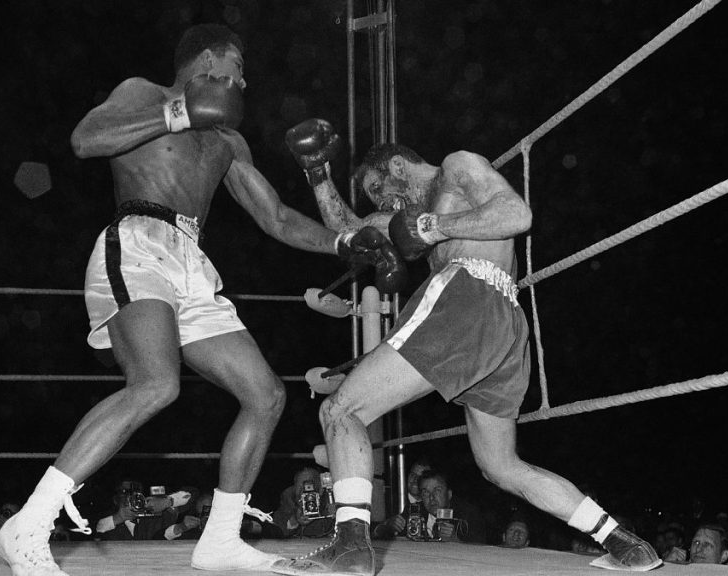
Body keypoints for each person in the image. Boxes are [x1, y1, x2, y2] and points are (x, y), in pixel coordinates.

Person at [0, 24, 406, 576]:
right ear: (212, 60)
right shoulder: (144, 93)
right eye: (239, 69)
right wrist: (181, 114)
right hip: (138, 242)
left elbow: (276, 217)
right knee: (155, 383)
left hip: (192, 261)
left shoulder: (229, 141)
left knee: (265, 395)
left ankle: (219, 541)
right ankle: (28, 523)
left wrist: (342, 241)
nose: (244, 81)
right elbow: (85, 139)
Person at [271, 120, 662, 576]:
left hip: (468, 295)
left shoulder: (455, 169)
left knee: (340, 409)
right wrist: (318, 175)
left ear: (398, 164)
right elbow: (351, 230)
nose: (383, 204)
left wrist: (434, 226)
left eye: (380, 188)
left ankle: (350, 548)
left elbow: (518, 215)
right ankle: (625, 543)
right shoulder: (409, 214)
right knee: (501, 466)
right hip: (501, 328)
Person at [371, 458, 431, 540]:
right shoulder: (390, 500)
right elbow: (368, 531)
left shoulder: (431, 505)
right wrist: (386, 526)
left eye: (420, 477)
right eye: (413, 475)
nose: (415, 480)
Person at [269, 467, 335, 539]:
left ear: (321, 490)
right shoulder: (288, 502)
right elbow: (275, 530)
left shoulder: (330, 502)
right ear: (295, 488)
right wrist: (294, 520)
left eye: (310, 486)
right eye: (301, 486)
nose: (305, 491)